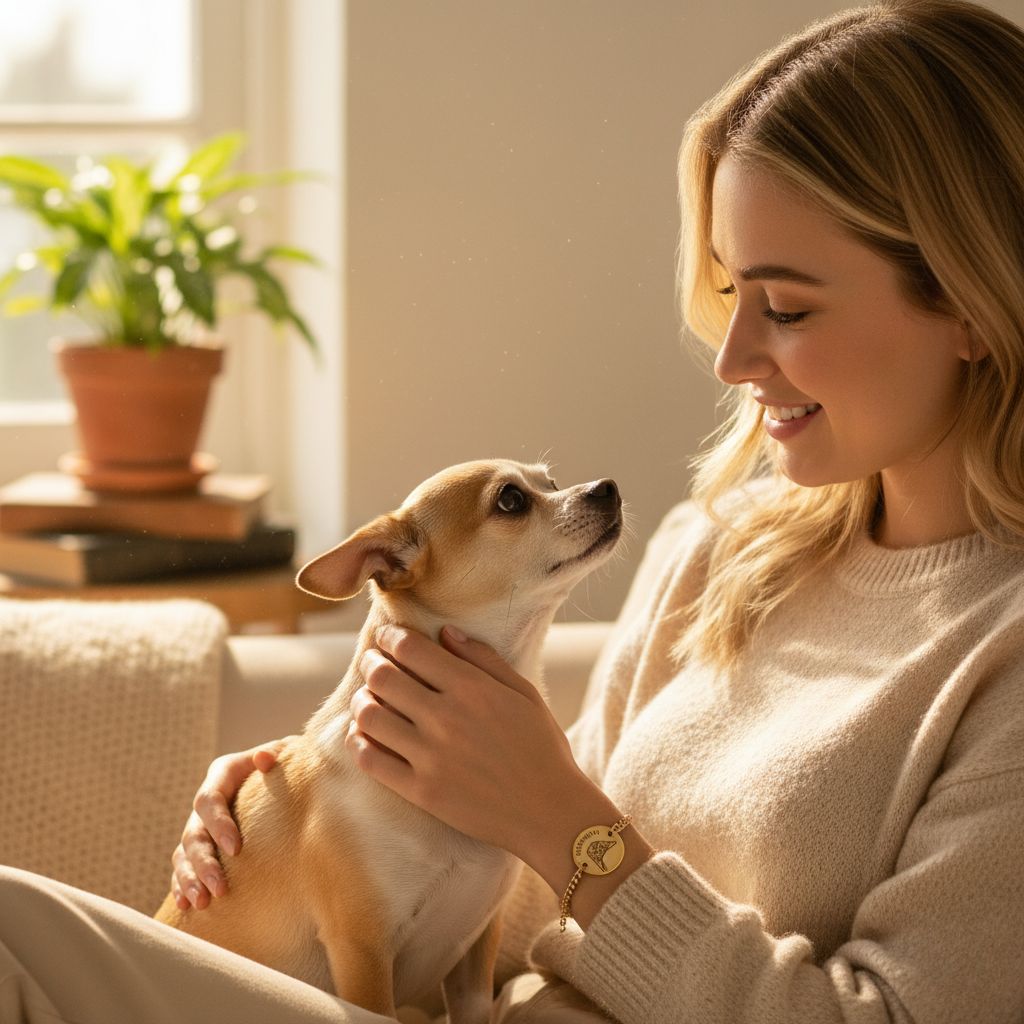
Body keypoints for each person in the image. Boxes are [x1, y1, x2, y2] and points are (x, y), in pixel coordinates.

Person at [3, 0, 1023, 1020]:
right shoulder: (719, 552)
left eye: (788, 307)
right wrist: (300, 819)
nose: (730, 357)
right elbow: (509, 893)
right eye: (727, 291)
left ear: (974, 304)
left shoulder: (1000, 650)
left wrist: (569, 826)